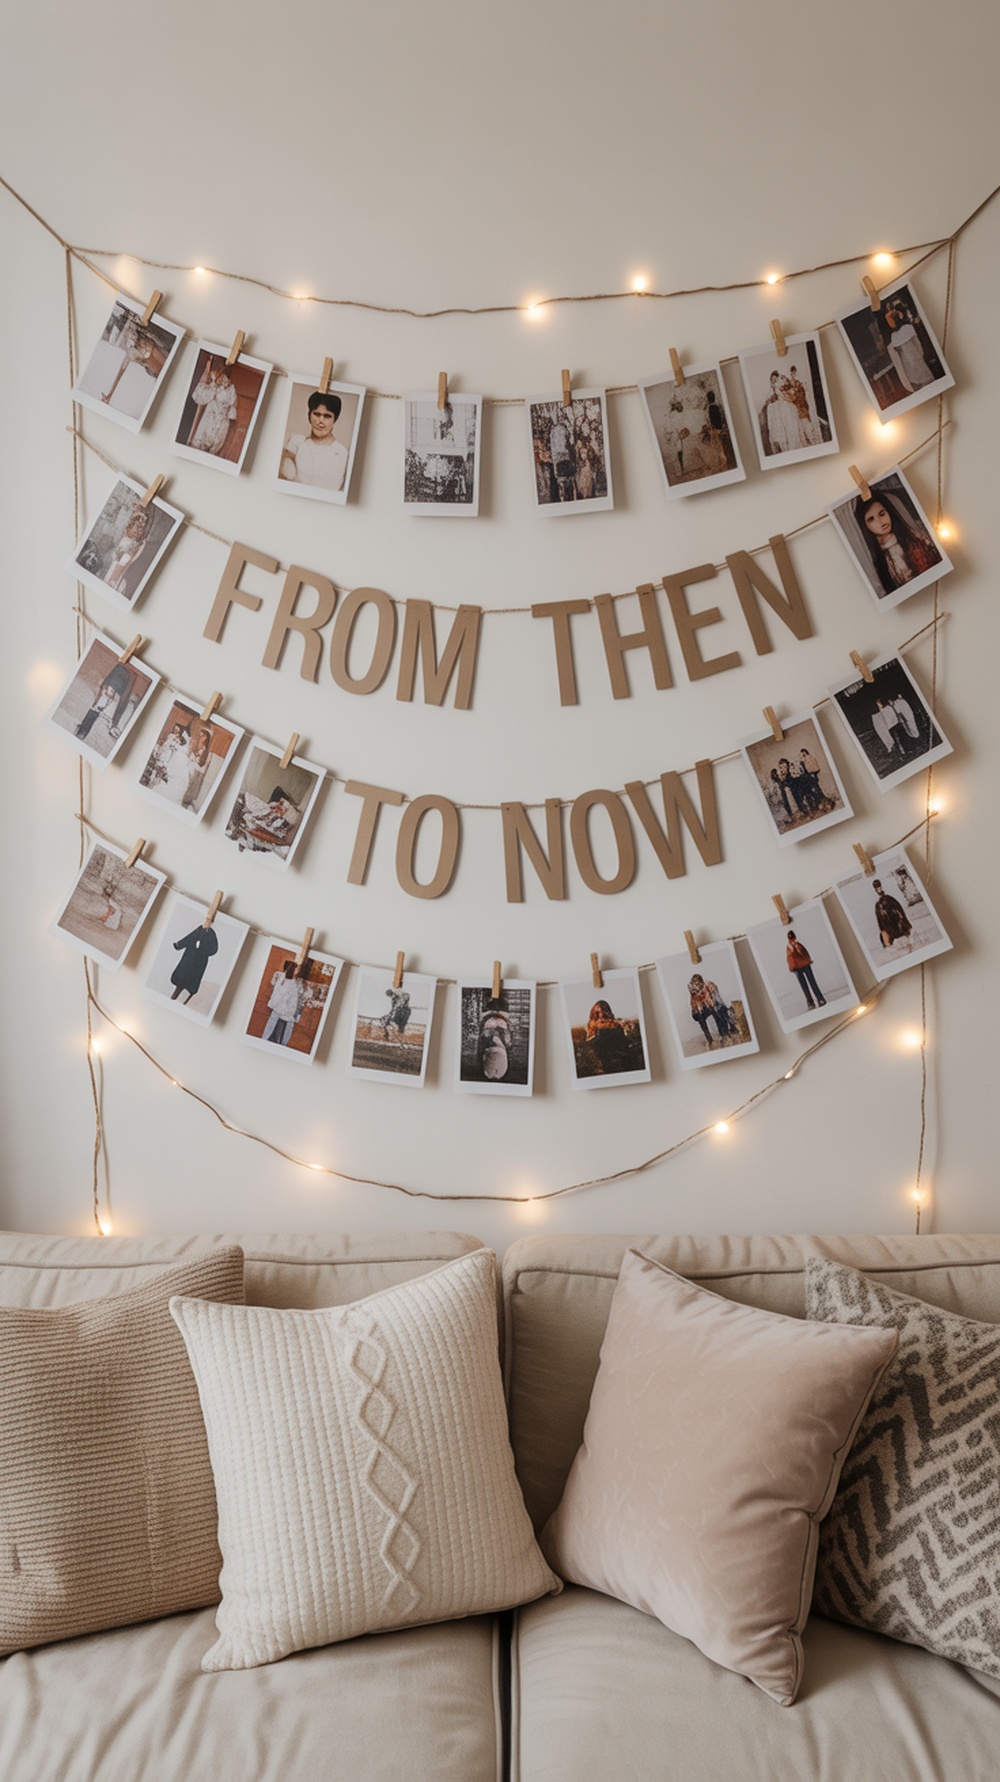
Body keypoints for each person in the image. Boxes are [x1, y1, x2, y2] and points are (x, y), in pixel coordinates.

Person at [854, 491, 941, 595]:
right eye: (871, 519)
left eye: (882, 514)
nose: (880, 522)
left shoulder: (915, 538)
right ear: (865, 525)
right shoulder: (877, 560)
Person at [279, 390, 348, 492]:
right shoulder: (296, 443)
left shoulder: (342, 452)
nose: (321, 421)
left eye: (327, 416)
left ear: (335, 419)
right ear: (309, 416)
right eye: (317, 414)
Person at [188, 359, 238, 456]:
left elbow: (233, 406)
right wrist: (215, 384)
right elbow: (203, 396)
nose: (224, 381)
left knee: (216, 440)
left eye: (227, 380)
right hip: (211, 414)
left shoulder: (232, 389)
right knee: (202, 437)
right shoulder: (214, 383)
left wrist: (229, 414)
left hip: (222, 419)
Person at [885, 304, 936, 392]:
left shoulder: (906, 328)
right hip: (907, 362)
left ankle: (926, 380)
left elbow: (917, 345)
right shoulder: (895, 335)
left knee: (917, 361)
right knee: (911, 364)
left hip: (916, 357)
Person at [169, 919, 220, 1004]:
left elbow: (213, 950)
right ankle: (172, 999)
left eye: (209, 922)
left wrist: (202, 951)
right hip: (189, 958)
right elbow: (189, 938)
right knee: (180, 983)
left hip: (199, 961)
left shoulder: (211, 934)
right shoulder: (199, 930)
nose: (206, 923)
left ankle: (184, 1002)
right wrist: (179, 945)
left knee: (191, 987)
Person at [106, 506, 152, 593]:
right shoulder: (124, 538)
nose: (136, 530)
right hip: (111, 573)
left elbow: (131, 561)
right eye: (135, 526)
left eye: (139, 527)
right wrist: (138, 515)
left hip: (118, 578)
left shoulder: (137, 545)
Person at [262, 960, 308, 1045]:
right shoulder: (287, 980)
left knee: (278, 1028)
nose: (298, 971)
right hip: (282, 1008)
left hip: (284, 1009)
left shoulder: (291, 981)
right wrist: (286, 1007)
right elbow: (281, 994)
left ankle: (274, 1041)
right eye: (297, 969)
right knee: (275, 1027)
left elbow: (292, 997)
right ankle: (270, 1040)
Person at [585, 1000, 632, 1073]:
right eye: (598, 1012)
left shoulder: (616, 1025)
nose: (601, 1014)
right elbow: (590, 1042)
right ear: (594, 1013)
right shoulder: (592, 1026)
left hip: (618, 1056)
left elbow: (623, 1043)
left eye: (604, 1011)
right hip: (603, 1058)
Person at [785, 930, 827, 1011]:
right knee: (805, 986)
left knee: (812, 982)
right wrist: (792, 967)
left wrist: (798, 950)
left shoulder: (797, 945)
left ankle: (819, 999)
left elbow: (803, 954)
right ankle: (811, 1001)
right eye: (791, 939)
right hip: (798, 967)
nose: (792, 940)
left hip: (804, 965)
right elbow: (790, 958)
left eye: (793, 938)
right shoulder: (789, 948)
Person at [687, 976, 732, 1047]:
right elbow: (694, 1012)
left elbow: (716, 1001)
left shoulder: (708, 986)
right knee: (701, 1018)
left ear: (701, 983)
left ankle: (724, 1035)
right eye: (694, 984)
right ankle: (710, 1040)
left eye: (697, 984)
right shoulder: (694, 994)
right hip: (706, 1007)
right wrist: (695, 1012)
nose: (695, 986)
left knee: (717, 1011)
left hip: (715, 1004)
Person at [873, 878, 914, 953]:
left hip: (897, 925)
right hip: (891, 928)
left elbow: (900, 912)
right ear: (875, 889)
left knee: (904, 935)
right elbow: (880, 922)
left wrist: (903, 921)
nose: (878, 889)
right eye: (877, 887)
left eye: (879, 886)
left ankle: (907, 941)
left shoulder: (889, 900)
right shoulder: (878, 905)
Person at [182, 728, 212, 810]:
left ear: (207, 738)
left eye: (203, 736)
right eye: (200, 736)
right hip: (190, 769)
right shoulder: (198, 748)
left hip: (195, 772)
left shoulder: (208, 753)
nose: (200, 738)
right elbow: (191, 759)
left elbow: (203, 769)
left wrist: (194, 762)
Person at [549, 414, 576, 501]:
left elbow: (570, 443)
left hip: (565, 460)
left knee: (569, 485)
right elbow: (553, 449)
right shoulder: (554, 431)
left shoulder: (564, 429)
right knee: (563, 486)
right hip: (560, 461)